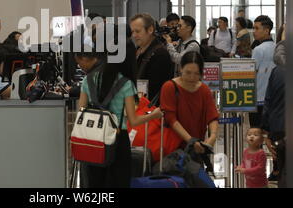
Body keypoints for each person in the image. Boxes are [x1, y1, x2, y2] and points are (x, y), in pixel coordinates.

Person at [76, 25, 163, 188]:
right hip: (118, 140)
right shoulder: (126, 84)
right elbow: (134, 120)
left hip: (94, 139)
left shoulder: (88, 80)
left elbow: (81, 112)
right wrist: (154, 115)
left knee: (95, 184)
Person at [160, 51, 219, 154]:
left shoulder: (204, 90)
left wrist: (213, 136)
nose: (192, 77)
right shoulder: (169, 87)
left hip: (196, 148)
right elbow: (171, 119)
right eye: (188, 72)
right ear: (181, 69)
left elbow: (212, 116)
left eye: (196, 74)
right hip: (172, 148)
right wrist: (190, 141)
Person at [262, 23, 286, 186]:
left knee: (285, 170)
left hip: (279, 129)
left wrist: (267, 133)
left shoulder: (277, 71)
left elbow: (268, 102)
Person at [130, 14, 174, 100]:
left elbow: (157, 90)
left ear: (150, 30)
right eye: (132, 32)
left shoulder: (160, 54)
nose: (134, 35)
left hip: (151, 108)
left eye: (137, 31)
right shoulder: (138, 50)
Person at [250, 15, 276, 127]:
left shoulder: (258, 49)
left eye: (256, 28)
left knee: (256, 133)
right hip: (274, 98)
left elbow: (252, 73)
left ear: (266, 30)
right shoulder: (277, 47)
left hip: (259, 98)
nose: (253, 31)